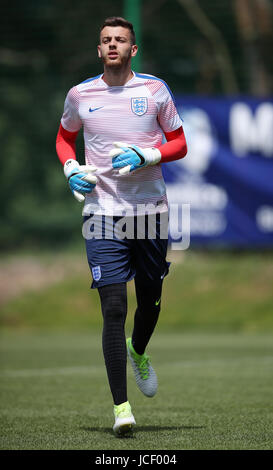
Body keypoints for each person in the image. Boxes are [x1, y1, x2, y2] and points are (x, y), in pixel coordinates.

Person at [56, 16, 187, 436]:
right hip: (101, 213)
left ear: (134, 49)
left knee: (149, 301)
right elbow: (63, 137)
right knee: (114, 307)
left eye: (121, 40)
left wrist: (147, 156)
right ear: (99, 50)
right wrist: (70, 166)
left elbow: (180, 143)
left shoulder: (154, 90)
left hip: (149, 211)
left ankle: (139, 349)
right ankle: (121, 409)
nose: (113, 45)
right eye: (106, 40)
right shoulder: (80, 94)